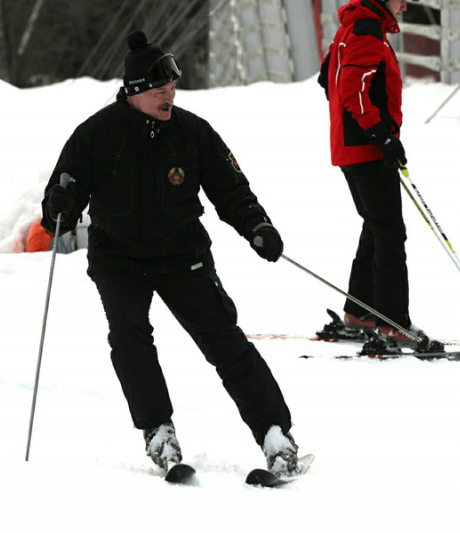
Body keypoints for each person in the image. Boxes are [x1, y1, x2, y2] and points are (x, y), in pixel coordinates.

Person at [40, 30, 302, 477]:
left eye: (173, 88)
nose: (170, 96)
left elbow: (232, 190)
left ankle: (276, 435)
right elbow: (58, 200)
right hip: (119, 259)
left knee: (224, 339)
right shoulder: (96, 135)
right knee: (129, 336)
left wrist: (256, 226)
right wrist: (60, 208)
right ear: (136, 92)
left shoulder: (192, 133)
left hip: (182, 255)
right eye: (160, 90)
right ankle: (158, 431)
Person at [317, 0, 424, 342]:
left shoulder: (353, 25)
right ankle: (392, 322)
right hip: (366, 150)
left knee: (377, 227)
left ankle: (360, 311)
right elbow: (350, 86)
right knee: (390, 233)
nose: (404, 4)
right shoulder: (366, 28)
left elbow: (326, 76)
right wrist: (380, 134)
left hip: (352, 148)